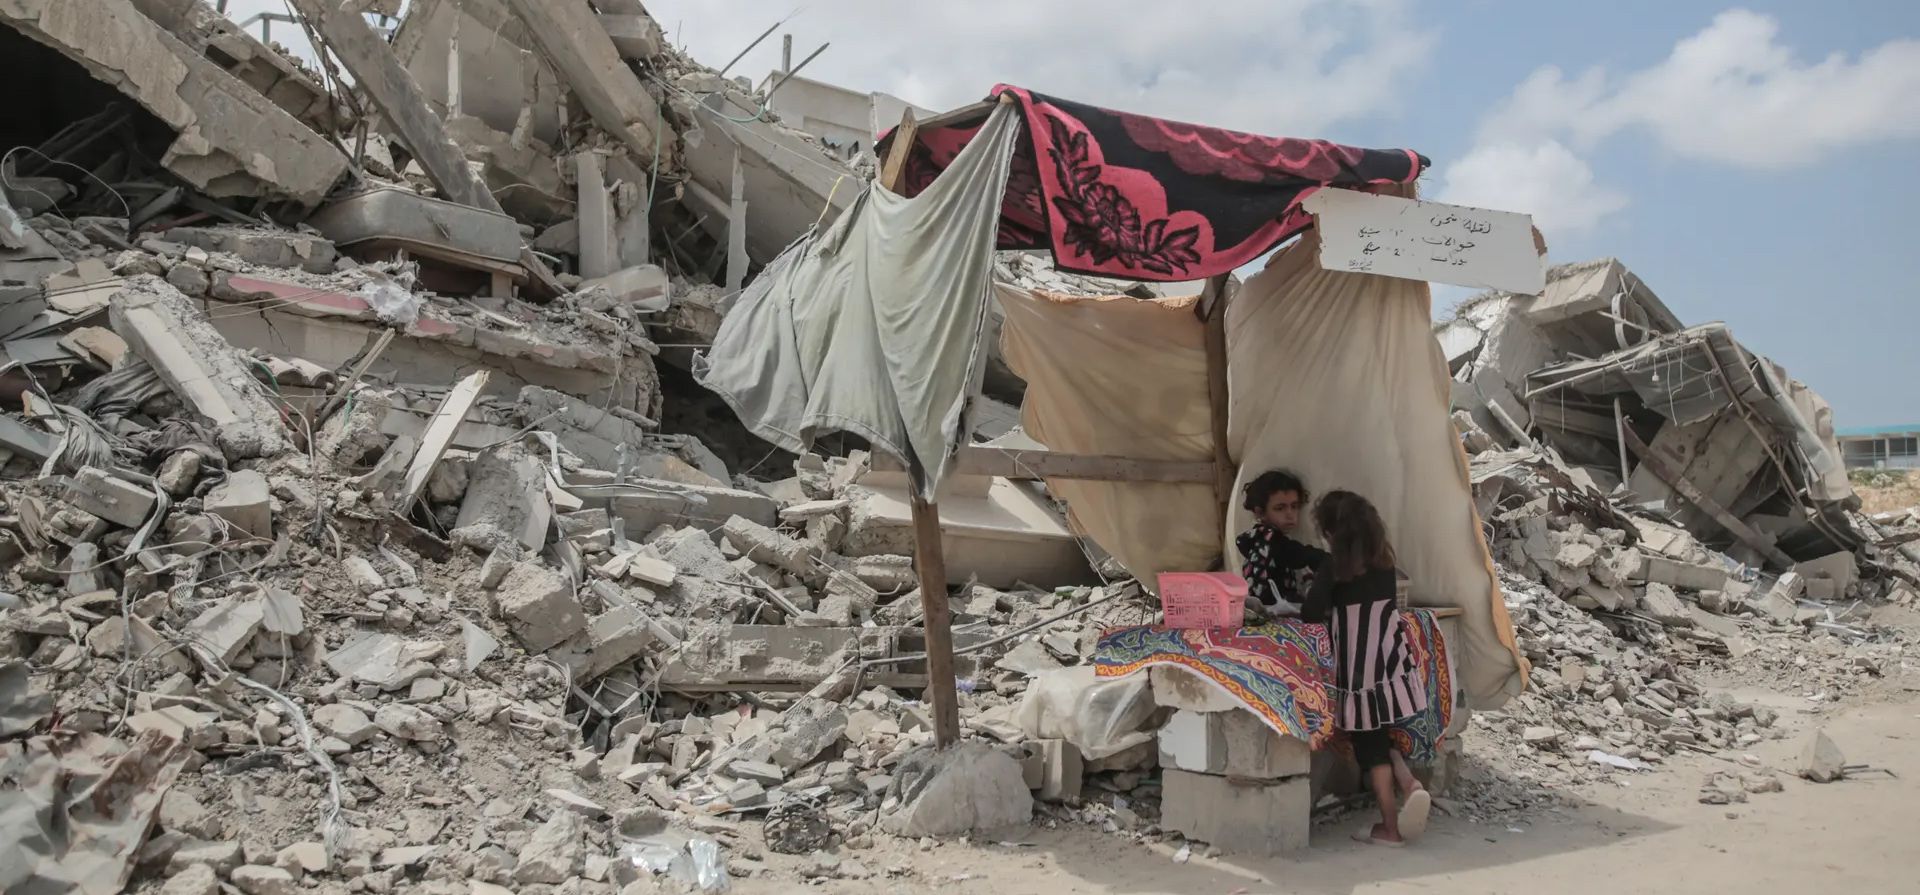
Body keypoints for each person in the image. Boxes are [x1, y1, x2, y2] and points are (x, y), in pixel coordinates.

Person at [1300, 490, 1431, 847]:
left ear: (1333, 535)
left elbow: (1310, 613)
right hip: (1391, 667)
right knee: (1380, 739)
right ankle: (1410, 784)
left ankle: (1389, 828)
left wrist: (1313, 587)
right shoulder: (1385, 564)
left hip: (1360, 677)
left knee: (1370, 752)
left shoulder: (1334, 570)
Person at [1235, 469, 1327, 615]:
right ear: (1260, 512)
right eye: (1280, 508)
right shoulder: (1270, 539)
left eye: (1294, 506)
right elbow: (1301, 555)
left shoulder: (1256, 539)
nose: (1290, 514)